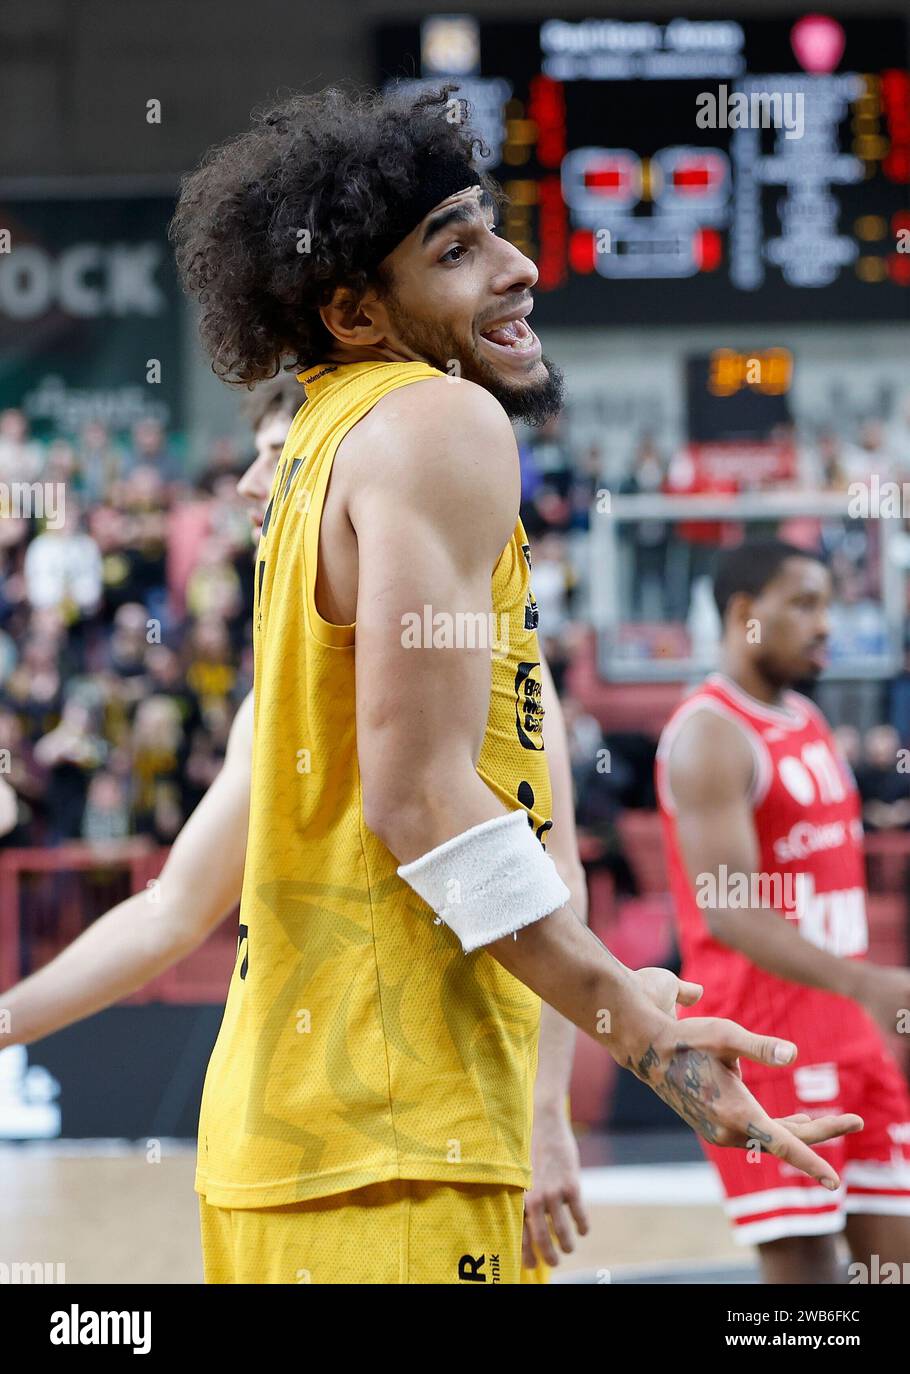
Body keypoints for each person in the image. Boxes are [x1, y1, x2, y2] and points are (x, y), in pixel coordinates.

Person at [168, 85, 857, 1285]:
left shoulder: (326, 439)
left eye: (490, 227)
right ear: (352, 308)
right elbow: (420, 800)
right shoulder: (436, 421)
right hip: (396, 1142)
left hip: (297, 1135)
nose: (519, 264)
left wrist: (578, 984)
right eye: (456, 247)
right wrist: (636, 1030)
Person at [0, 377, 588, 1279]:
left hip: (425, 1139)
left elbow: (550, 875)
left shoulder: (486, 647)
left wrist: (550, 1111)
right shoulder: (269, 700)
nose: (247, 482)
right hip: (270, 1146)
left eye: (277, 456)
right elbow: (169, 912)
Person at [656, 539, 910, 1283]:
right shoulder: (709, 732)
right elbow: (730, 912)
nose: (825, 623)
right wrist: (867, 985)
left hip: (847, 1032)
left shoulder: (806, 719)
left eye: (828, 603)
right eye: (804, 604)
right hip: (765, 1041)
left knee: (892, 1268)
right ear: (745, 614)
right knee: (805, 1287)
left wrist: (861, 1001)